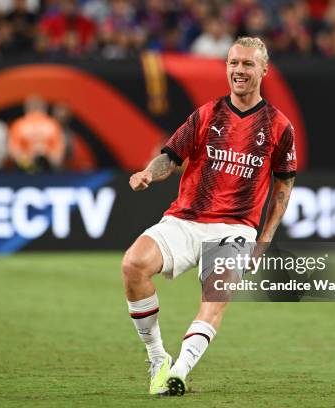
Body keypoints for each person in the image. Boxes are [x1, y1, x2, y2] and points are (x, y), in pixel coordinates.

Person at [122, 36, 297, 396]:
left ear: (264, 69)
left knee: (214, 299)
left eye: (248, 64)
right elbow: (170, 157)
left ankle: (179, 373)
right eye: (233, 63)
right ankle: (158, 358)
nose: (239, 70)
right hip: (186, 218)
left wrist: (263, 241)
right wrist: (148, 174)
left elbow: (283, 189)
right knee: (133, 264)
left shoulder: (279, 127)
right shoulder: (207, 114)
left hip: (235, 227)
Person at [8, 96, 65, 172]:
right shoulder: (53, 124)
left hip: (30, 169)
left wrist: (29, 166)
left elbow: (14, 150)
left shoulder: (19, 124)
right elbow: (59, 150)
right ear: (44, 108)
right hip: (45, 169)